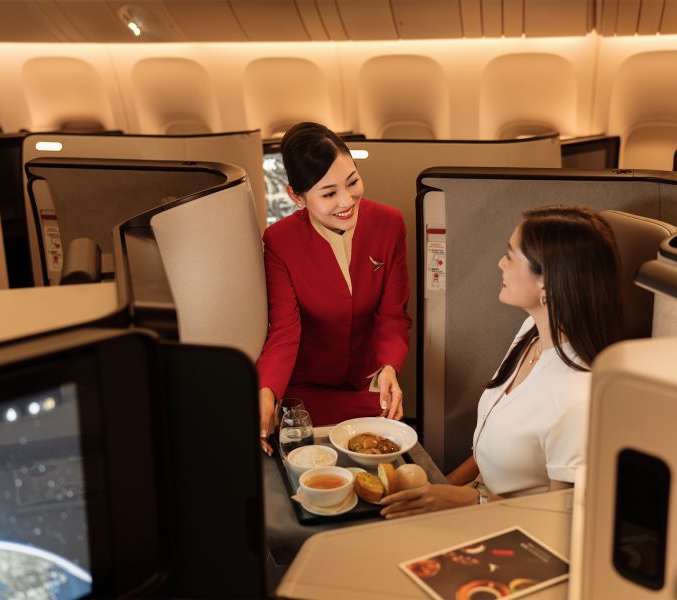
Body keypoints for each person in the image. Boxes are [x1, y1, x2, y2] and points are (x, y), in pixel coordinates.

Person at [381, 205, 622, 518]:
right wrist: (433, 492)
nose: (500, 263)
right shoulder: (532, 332)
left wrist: (466, 503)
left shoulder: (577, 397)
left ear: (546, 282)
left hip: (510, 531)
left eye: (510, 255)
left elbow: (559, 522)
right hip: (476, 505)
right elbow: (489, 450)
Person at [256, 122, 411, 454]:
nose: (347, 200)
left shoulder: (389, 224)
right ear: (296, 197)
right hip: (307, 391)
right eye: (328, 193)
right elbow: (284, 329)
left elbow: (393, 315)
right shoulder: (280, 241)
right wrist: (266, 392)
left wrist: (389, 367)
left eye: (352, 181)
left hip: (368, 385)